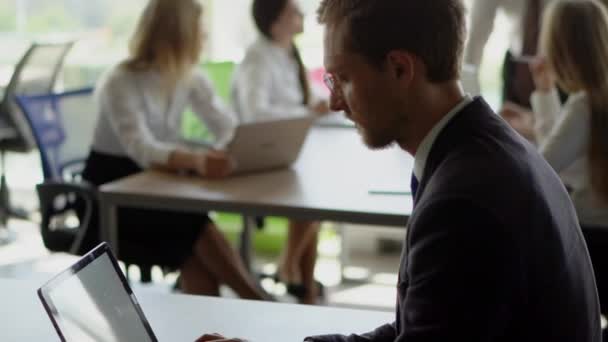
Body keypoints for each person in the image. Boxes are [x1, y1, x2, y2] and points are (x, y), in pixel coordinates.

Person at [198, 0, 601, 341]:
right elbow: (415, 327)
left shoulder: (463, 202)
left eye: (343, 78)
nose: (335, 101)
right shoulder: (482, 150)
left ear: (400, 69)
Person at [80, 0, 267, 300]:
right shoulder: (121, 80)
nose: (204, 38)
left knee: (195, 251)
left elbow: (227, 126)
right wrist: (197, 160)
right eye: (199, 32)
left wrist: (246, 148)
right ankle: (257, 300)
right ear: (178, 35)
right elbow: (141, 147)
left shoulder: (189, 77)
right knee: (194, 227)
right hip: (111, 196)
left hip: (156, 186)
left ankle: (243, 308)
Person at [231, 0, 329, 304]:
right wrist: (305, 109)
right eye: (293, 12)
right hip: (257, 159)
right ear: (275, 22)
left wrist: (321, 104)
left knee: (317, 192)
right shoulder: (258, 59)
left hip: (284, 153)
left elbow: (304, 98)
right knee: (314, 196)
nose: (300, 15)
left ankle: (297, 278)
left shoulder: (288, 53)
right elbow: (254, 112)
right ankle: (292, 272)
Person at [528, 0, 608, 329]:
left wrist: (543, 95)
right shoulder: (597, 102)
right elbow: (575, 164)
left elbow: (543, 170)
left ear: (560, 50)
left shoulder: (584, 105)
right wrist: (545, 97)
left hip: (594, 245)